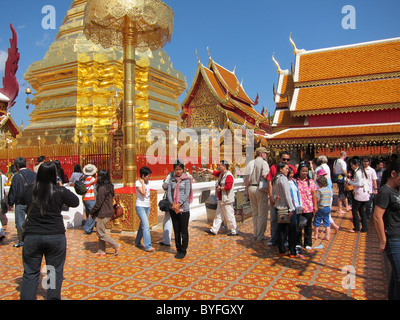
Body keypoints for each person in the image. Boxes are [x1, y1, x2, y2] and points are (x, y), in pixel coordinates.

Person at [20, 161, 79, 300]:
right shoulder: (59, 190)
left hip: (32, 236)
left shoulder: (30, 190)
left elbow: (21, 199)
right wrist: (61, 188)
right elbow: (75, 201)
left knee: (30, 273)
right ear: (55, 174)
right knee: (53, 271)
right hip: (55, 236)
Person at [373, 159, 400, 300]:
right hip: (393, 237)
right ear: (394, 174)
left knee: (396, 277)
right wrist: (383, 239)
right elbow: (377, 217)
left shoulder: (397, 190)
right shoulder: (385, 191)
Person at [267, 151, 297, 246]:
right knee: (274, 219)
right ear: (280, 159)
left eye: (288, 160)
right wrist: (272, 197)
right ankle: (274, 239)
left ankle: (284, 240)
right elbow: (270, 182)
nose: (286, 161)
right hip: (278, 199)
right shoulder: (274, 168)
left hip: (287, 200)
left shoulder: (291, 169)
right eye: (284, 159)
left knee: (286, 223)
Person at [202, 160, 238, 236]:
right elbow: (214, 172)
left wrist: (221, 189)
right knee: (218, 215)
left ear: (224, 166)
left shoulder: (228, 175)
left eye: (220, 165)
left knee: (229, 215)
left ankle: (234, 230)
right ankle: (214, 229)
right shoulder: (222, 174)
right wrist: (206, 170)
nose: (218, 166)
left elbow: (229, 187)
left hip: (226, 199)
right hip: (221, 199)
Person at [89, 170, 120, 256]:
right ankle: (101, 250)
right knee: (101, 230)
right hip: (108, 211)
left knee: (100, 232)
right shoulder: (109, 187)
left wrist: (91, 212)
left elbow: (99, 203)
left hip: (104, 212)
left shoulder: (102, 188)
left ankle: (115, 245)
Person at [8, 157, 36, 248]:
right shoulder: (33, 174)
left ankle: (22, 240)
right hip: (32, 201)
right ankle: (32, 238)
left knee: (20, 222)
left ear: (17, 166)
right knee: (32, 220)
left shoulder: (16, 176)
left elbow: (13, 190)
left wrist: (10, 202)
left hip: (20, 202)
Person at [167, 161, 193, 259]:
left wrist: (179, 204)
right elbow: (169, 193)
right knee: (176, 230)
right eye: (177, 169)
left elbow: (187, 193)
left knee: (184, 230)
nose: (178, 171)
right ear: (174, 170)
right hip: (173, 208)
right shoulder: (171, 180)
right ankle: (178, 249)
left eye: (180, 169)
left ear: (183, 170)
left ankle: (183, 249)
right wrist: (173, 205)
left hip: (184, 208)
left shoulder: (187, 180)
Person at [244, 147, 270, 240]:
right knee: (262, 213)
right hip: (260, 188)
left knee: (255, 212)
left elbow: (246, 179)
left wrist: (247, 190)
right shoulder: (264, 163)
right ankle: (260, 235)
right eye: (265, 153)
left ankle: (255, 232)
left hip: (251, 188)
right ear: (262, 154)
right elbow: (265, 176)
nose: (266, 155)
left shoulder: (250, 163)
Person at [271, 163, 296, 257]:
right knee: (292, 229)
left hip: (279, 207)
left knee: (282, 229)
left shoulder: (275, 179)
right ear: (280, 169)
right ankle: (292, 250)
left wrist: (274, 198)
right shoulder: (283, 179)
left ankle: (281, 249)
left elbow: (273, 194)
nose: (287, 170)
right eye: (286, 168)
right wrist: (292, 208)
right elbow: (287, 194)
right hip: (286, 207)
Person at [294, 162, 317, 250]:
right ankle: (298, 242)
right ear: (299, 171)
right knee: (298, 225)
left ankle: (308, 243)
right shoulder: (295, 181)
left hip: (309, 207)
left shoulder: (310, 182)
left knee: (308, 226)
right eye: (303, 171)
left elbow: (314, 194)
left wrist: (315, 206)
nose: (304, 173)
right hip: (299, 207)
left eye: (306, 171)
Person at [346, 158, 370, 233]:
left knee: (355, 210)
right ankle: (364, 228)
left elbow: (360, 184)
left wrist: (349, 181)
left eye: (352, 165)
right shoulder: (362, 171)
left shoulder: (358, 172)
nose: (351, 167)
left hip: (360, 194)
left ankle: (356, 227)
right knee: (361, 210)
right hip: (364, 193)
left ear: (356, 165)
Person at [135, 166, 155, 252]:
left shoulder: (148, 183)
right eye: (147, 176)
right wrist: (142, 183)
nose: (149, 178)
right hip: (140, 206)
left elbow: (148, 195)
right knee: (146, 226)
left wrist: (149, 205)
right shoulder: (138, 183)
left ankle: (137, 242)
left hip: (146, 206)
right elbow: (143, 193)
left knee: (142, 225)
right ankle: (148, 245)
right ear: (143, 176)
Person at [313, 176, 332, 241]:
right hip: (328, 207)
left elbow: (317, 199)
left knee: (317, 220)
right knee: (327, 222)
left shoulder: (319, 190)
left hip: (321, 208)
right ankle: (327, 236)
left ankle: (315, 234)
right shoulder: (328, 190)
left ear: (319, 184)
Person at [82, 164, 98, 234]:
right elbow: (97, 180)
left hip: (85, 198)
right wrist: (96, 175)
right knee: (94, 214)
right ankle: (87, 228)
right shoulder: (90, 179)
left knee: (89, 213)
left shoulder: (83, 177)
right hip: (90, 198)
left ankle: (90, 228)